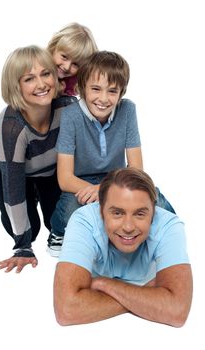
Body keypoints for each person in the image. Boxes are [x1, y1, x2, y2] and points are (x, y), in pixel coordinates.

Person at [49, 50, 175, 256]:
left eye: (112, 91)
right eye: (96, 89)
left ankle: (158, 233)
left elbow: (136, 169)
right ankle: (59, 233)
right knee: (71, 208)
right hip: (81, 183)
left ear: (121, 93)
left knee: (154, 198)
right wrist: (99, 191)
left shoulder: (127, 110)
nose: (103, 99)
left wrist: (106, 190)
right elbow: (64, 178)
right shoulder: (71, 115)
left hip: (118, 178)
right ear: (82, 88)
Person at [54, 167, 193, 327]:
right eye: (117, 213)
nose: (128, 227)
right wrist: (148, 299)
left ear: (153, 213)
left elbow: (176, 311)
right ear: (101, 211)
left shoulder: (169, 225)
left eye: (140, 214)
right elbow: (67, 310)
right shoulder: (83, 221)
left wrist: (103, 284)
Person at [0, 45, 76, 273]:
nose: (41, 84)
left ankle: (38, 192)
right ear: (16, 86)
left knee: (56, 222)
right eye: (29, 79)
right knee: (30, 229)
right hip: (11, 172)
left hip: (47, 169)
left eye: (46, 74)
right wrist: (23, 246)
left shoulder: (67, 108)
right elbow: (13, 191)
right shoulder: (12, 126)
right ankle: (29, 198)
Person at [0, 22, 98, 175]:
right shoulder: (39, 62)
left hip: (43, 123)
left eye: (75, 64)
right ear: (53, 48)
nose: (66, 67)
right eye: (64, 57)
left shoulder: (72, 82)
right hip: (21, 114)